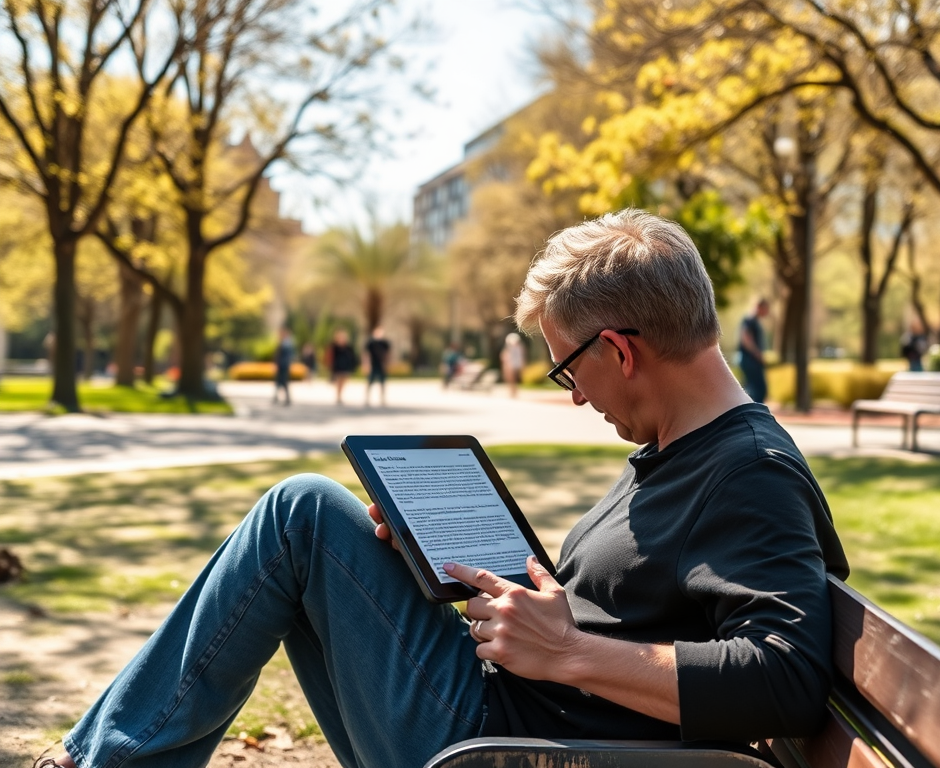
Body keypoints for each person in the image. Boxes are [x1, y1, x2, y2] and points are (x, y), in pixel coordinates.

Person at [41, 210, 847, 768]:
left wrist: (569, 652)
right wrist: (460, 570)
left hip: (509, 749)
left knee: (300, 514)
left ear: (620, 350)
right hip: (506, 717)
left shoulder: (748, 471)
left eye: (567, 367)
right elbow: (626, 607)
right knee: (319, 523)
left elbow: (784, 677)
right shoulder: (681, 450)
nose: (573, 394)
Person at [737, 297, 771, 404]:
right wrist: (757, 354)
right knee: (758, 389)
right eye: (766, 308)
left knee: (754, 388)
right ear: (759, 307)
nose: (767, 312)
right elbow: (745, 338)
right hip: (750, 360)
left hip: (751, 360)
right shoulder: (750, 320)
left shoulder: (753, 321)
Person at [326, 330, 359, 405]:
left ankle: (340, 395)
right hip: (338, 367)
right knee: (338, 382)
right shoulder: (334, 347)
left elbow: (352, 357)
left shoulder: (348, 347)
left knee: (344, 382)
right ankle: (338, 397)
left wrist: (353, 366)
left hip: (345, 367)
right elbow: (330, 357)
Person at [363, 326, 390, 407]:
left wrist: (387, 364)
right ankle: (367, 399)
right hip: (372, 364)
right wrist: (366, 364)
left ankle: (382, 399)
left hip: (381, 365)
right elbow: (366, 354)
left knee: (382, 383)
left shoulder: (385, 343)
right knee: (369, 382)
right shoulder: (370, 343)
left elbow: (388, 354)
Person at [271, 326, 295, 406]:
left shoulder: (286, 343)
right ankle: (278, 397)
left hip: (283, 365)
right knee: (280, 382)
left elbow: (284, 356)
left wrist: (279, 364)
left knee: (282, 382)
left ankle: (285, 398)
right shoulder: (285, 343)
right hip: (283, 365)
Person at [499, 332, 526, 397]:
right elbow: (503, 357)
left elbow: (522, 356)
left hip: (515, 363)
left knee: (514, 378)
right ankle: (512, 391)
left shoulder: (520, 348)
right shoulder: (508, 349)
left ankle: (514, 391)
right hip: (510, 364)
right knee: (511, 378)